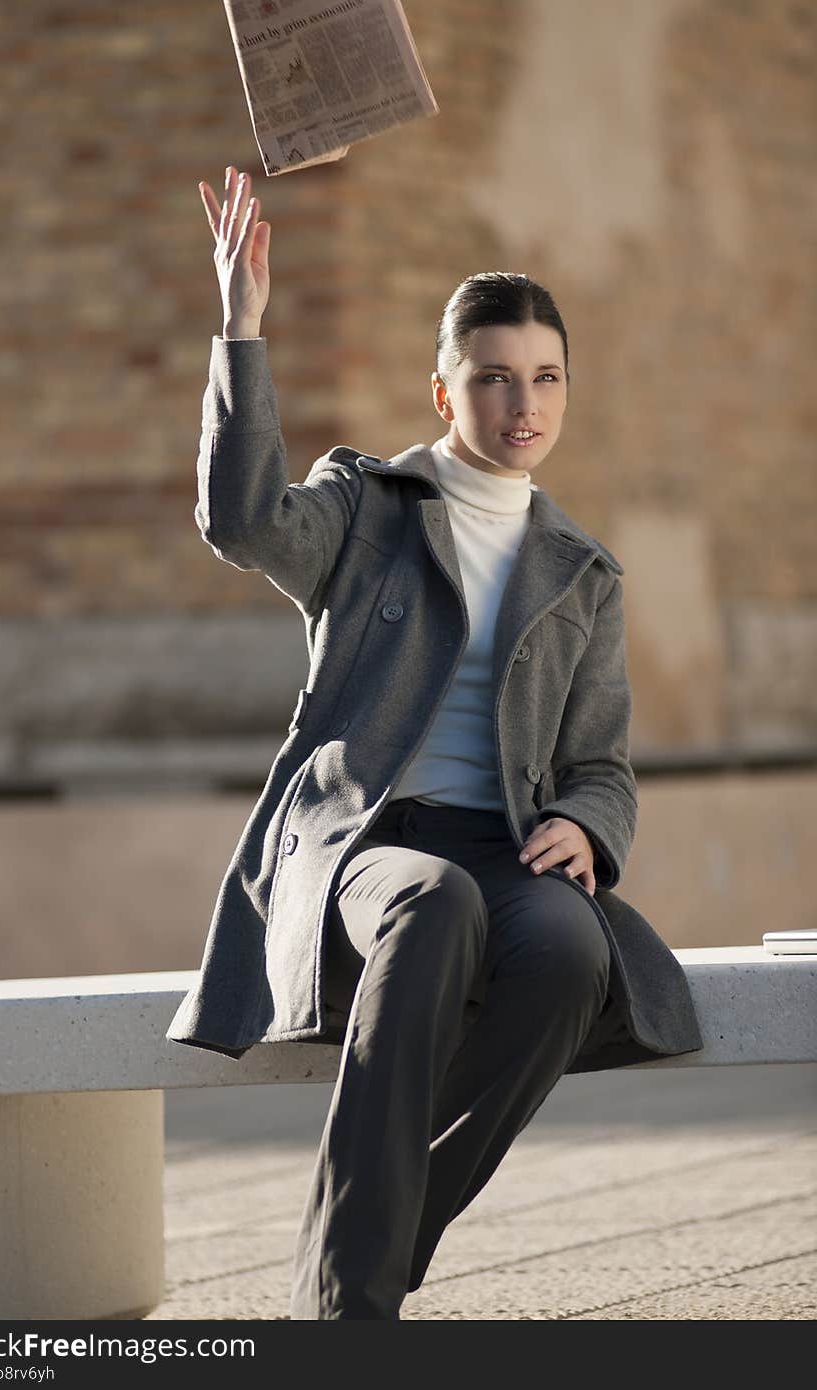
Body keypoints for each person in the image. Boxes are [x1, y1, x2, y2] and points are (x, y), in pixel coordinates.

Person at [165, 165, 703, 1319]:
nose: (525, 404)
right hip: (370, 842)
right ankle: (351, 1302)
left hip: (507, 844)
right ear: (443, 390)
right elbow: (242, 520)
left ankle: (361, 1247)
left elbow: (602, 763)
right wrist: (240, 328)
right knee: (435, 905)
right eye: (495, 378)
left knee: (569, 950)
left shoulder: (585, 573)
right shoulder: (364, 508)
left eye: (547, 378)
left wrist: (584, 825)